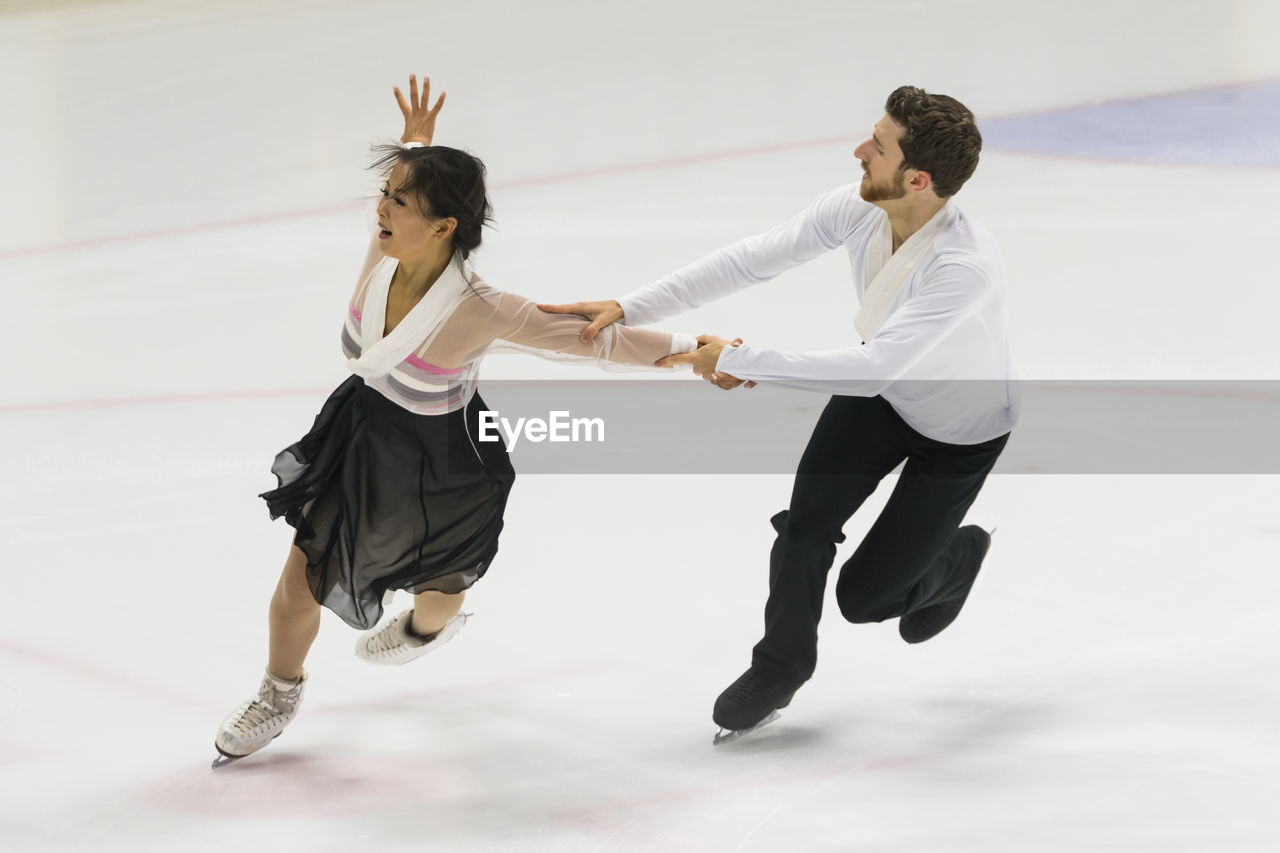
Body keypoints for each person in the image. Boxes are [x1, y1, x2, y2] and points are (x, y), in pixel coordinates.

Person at [213, 75, 695, 763]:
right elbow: (408, 212)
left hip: (445, 463)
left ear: (444, 227)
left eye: (398, 200)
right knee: (301, 579)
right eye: (383, 194)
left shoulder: (482, 306)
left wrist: (692, 353)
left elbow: (596, 339)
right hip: (361, 437)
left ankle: (422, 631)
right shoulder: (385, 252)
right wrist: (417, 146)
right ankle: (278, 690)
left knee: (438, 594)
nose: (380, 209)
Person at [539, 86, 1019, 738]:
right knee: (804, 527)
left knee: (865, 599)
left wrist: (743, 359)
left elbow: (877, 363)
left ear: (918, 178)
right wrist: (629, 307)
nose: (858, 151)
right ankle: (780, 667)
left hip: (960, 432)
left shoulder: (963, 266)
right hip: (883, 399)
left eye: (876, 147)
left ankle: (955, 558)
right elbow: (754, 258)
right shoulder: (857, 207)